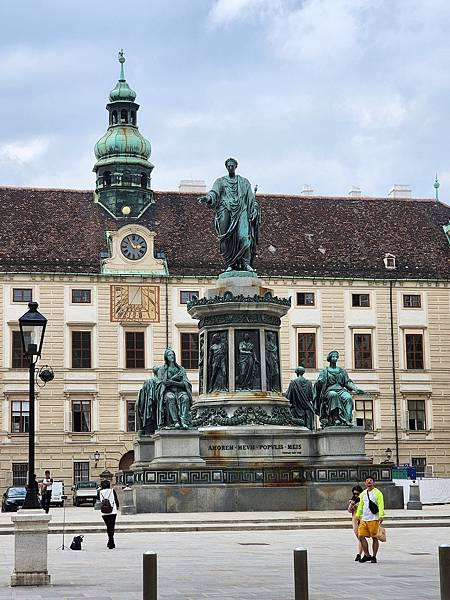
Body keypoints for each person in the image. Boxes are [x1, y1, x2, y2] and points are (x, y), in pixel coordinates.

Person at [198, 157, 260, 272]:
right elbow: (214, 193)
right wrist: (207, 198)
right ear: (226, 167)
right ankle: (230, 264)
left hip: (241, 210)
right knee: (225, 239)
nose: (230, 167)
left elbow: (251, 198)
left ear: (236, 167)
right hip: (225, 210)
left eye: (232, 165)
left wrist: (255, 208)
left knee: (244, 237)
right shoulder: (220, 181)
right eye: (228, 166)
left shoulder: (244, 182)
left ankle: (246, 264)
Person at [314, 350, 366, 427]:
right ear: (330, 358)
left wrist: (356, 389)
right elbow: (318, 385)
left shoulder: (342, 371)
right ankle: (336, 418)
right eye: (333, 357)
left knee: (348, 397)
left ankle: (347, 420)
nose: (335, 358)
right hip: (329, 391)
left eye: (336, 357)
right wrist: (320, 382)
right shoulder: (324, 371)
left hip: (341, 390)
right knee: (333, 395)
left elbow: (347, 382)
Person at [155, 348, 193, 429]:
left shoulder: (181, 369)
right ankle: (175, 421)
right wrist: (175, 379)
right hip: (168, 391)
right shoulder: (162, 369)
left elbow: (186, 383)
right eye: (169, 355)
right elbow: (162, 383)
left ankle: (184, 421)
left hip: (180, 391)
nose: (171, 356)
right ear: (166, 357)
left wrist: (172, 382)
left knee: (186, 398)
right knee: (170, 398)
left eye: (173, 355)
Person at [356, 476, 385, 563]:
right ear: (365, 483)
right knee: (360, 536)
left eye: (370, 481)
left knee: (374, 538)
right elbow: (361, 505)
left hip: (374, 519)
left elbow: (381, 504)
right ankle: (367, 555)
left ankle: (374, 556)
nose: (369, 482)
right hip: (364, 518)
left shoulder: (378, 493)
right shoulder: (363, 493)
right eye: (367, 481)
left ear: (373, 483)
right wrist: (358, 514)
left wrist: (381, 515)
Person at [99, 480, 119, 549]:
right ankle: (111, 541)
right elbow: (116, 499)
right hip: (113, 511)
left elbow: (98, 499)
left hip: (104, 511)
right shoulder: (112, 491)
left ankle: (110, 541)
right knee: (112, 526)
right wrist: (117, 506)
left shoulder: (100, 492)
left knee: (108, 526)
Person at [348, 484, 364, 561]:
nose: (356, 495)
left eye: (357, 493)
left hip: (362, 519)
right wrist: (352, 504)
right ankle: (364, 552)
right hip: (355, 519)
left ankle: (359, 554)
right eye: (354, 493)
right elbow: (349, 510)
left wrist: (357, 506)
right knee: (359, 537)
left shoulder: (364, 499)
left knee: (361, 537)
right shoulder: (353, 499)